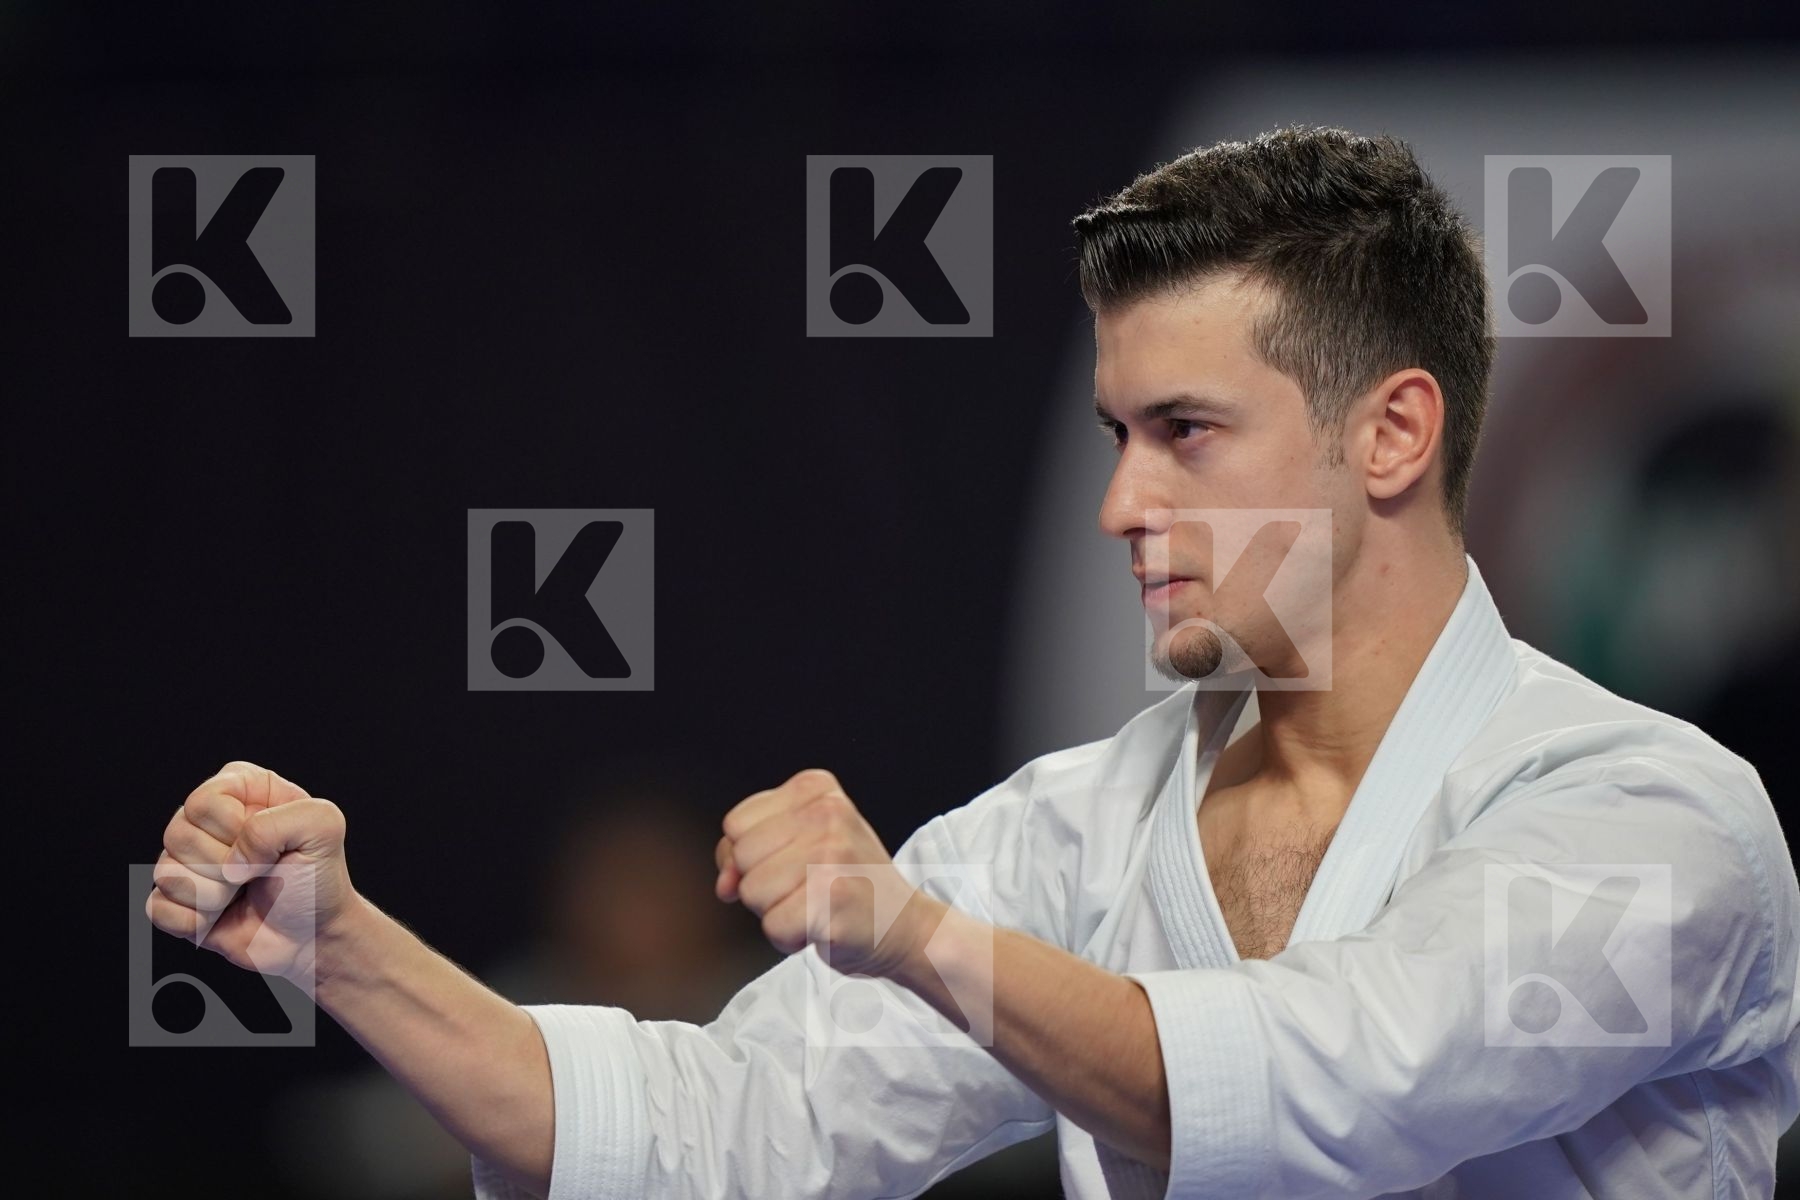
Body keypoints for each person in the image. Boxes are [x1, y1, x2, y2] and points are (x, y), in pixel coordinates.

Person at [146, 126, 1799, 1199]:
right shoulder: (1075, 831)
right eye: (1115, 432)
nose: (1120, 503)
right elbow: (717, 1131)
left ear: (1393, 432)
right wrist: (343, 950)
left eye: (1188, 435)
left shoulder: (1653, 822)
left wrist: (920, 935)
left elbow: (1331, 1084)